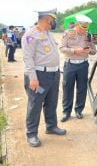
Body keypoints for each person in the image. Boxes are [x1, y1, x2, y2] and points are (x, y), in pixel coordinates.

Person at [22, 8, 66, 147]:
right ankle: (31, 134)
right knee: (35, 104)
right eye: (52, 21)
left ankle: (51, 126)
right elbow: (28, 57)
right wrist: (33, 78)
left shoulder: (48, 33)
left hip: (53, 74)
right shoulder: (30, 34)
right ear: (47, 19)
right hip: (39, 76)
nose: (53, 23)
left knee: (52, 101)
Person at [60, 14, 97, 122]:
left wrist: (89, 51)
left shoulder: (88, 35)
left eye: (85, 28)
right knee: (67, 88)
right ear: (76, 25)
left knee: (82, 88)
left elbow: (94, 51)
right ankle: (66, 112)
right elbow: (61, 48)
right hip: (70, 64)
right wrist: (75, 51)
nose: (83, 31)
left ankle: (79, 110)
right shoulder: (68, 33)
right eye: (81, 28)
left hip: (83, 65)